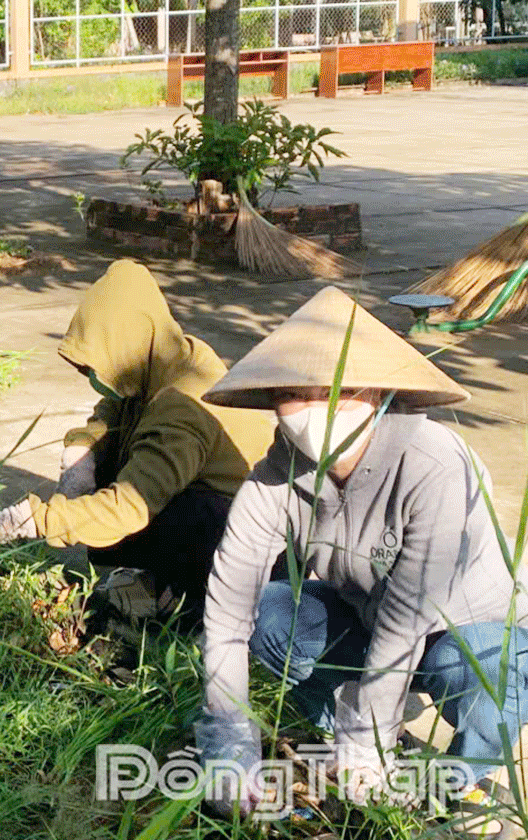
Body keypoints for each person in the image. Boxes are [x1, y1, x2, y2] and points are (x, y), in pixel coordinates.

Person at [196, 286, 520, 832]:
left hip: (463, 631)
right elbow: (229, 607)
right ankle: (364, 732)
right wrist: (228, 736)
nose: (316, 408)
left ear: (377, 393)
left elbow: (407, 621)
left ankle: (461, 783)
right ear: (274, 399)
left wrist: (364, 740)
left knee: (499, 680)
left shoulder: (434, 464)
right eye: (297, 392)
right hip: (366, 619)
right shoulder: (276, 476)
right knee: (275, 614)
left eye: (339, 390)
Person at [0, 259, 273, 624]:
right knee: (110, 470)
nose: (94, 377)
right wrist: (84, 451)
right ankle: (162, 580)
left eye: (97, 367)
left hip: (249, 543)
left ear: (128, 341)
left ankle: (196, 606)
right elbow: (113, 410)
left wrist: (32, 520)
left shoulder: (183, 406)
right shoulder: (167, 356)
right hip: (216, 507)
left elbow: (130, 507)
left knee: (157, 518)